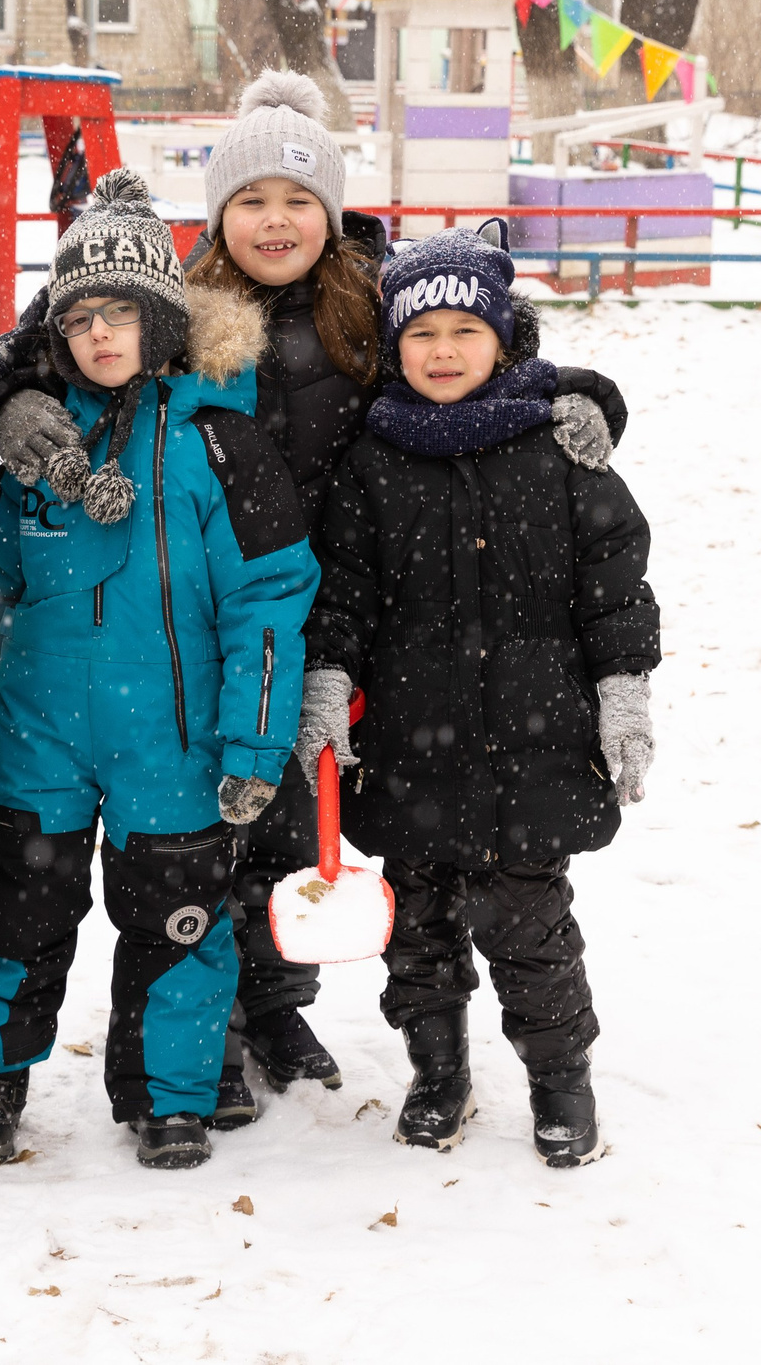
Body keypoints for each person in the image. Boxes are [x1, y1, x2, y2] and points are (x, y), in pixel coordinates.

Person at [0, 71, 626, 1128]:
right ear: (217, 215)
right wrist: (11, 402)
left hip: (355, 603)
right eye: (250, 201)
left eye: (296, 200)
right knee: (210, 828)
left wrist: (582, 396)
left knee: (300, 823)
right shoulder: (168, 297)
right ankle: (218, 1032)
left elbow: (482, 357)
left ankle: (281, 1004)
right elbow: (33, 351)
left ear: (329, 211)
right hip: (202, 613)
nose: (274, 221)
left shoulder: (376, 300)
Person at [0, 168, 319, 1171]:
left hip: (176, 740)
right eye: (79, 320)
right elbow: (0, 601)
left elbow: (269, 604)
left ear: (160, 320)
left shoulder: (221, 444)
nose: (99, 336)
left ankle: (169, 1094)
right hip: (39, 734)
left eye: (121, 314)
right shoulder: (44, 450)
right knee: (7, 915)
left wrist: (254, 741)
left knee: (178, 925)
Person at [299, 227, 660, 1169]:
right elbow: (341, 588)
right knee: (417, 933)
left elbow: (613, 579)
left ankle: (559, 1078)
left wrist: (625, 690)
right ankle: (438, 1066)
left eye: (467, 329)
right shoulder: (372, 459)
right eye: (423, 334)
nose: (444, 350)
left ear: (506, 338)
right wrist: (328, 681)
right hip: (415, 745)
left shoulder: (556, 448)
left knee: (528, 928)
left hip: (532, 748)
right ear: (394, 345)